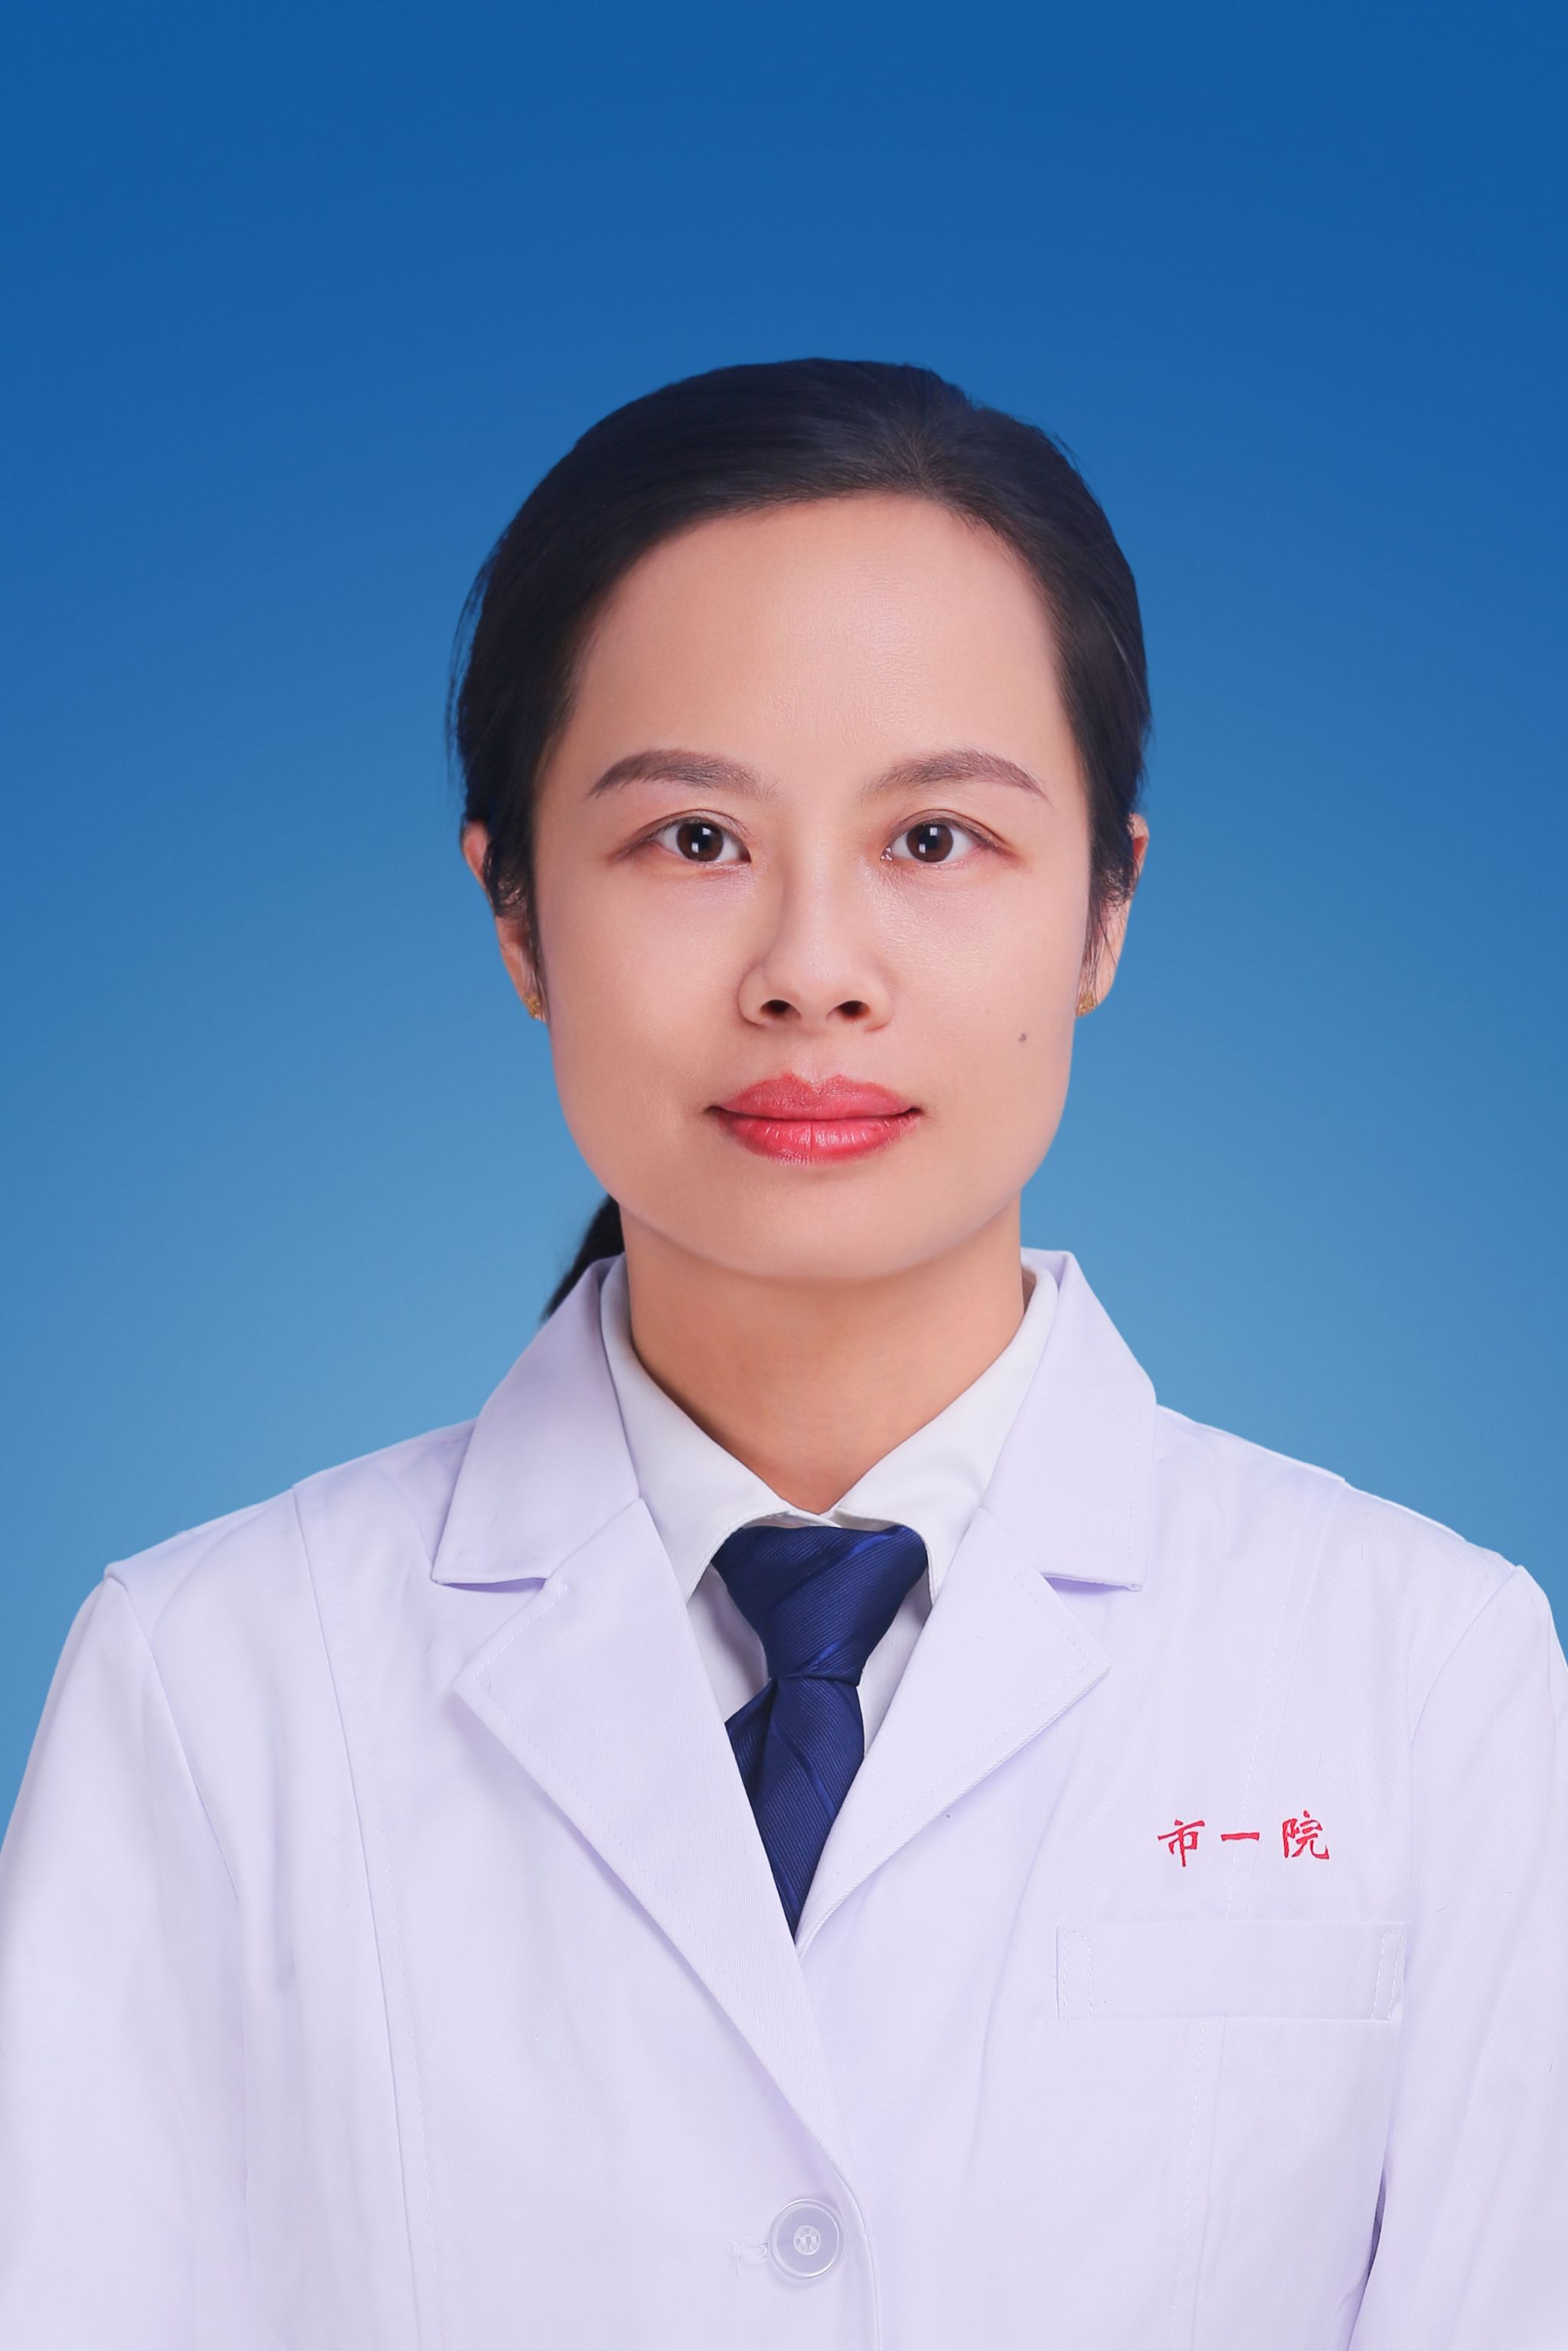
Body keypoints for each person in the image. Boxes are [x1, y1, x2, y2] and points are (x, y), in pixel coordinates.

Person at [0, 359, 1563, 2351]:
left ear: (1107, 909)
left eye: (937, 839)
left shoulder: (1428, 1676)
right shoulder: (210, 1684)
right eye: (691, 839)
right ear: (513, 913)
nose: (814, 968)